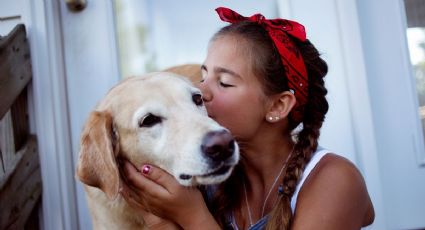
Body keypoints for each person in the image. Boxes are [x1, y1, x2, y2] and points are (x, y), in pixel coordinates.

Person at [120, 7, 375, 230]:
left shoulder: (335, 181)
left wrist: (192, 216)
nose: (200, 91)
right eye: (203, 75)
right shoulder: (209, 174)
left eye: (224, 82)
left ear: (277, 105)